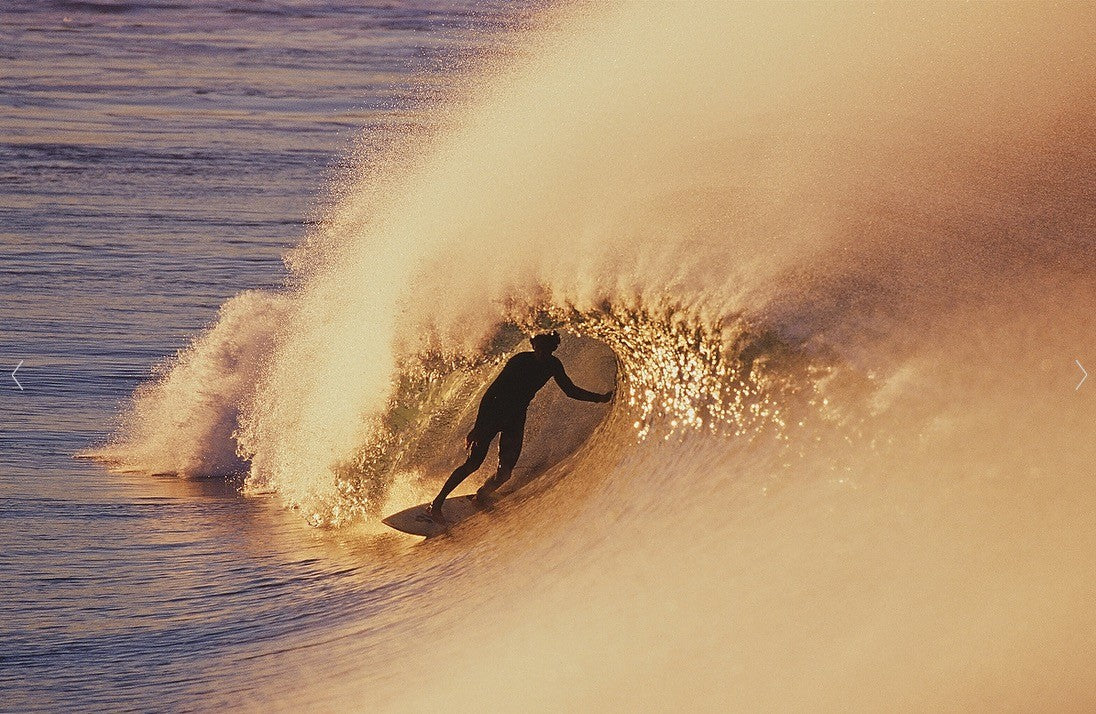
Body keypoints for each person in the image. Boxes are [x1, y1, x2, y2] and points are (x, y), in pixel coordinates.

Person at [429, 331, 612, 522]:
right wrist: (479, 426)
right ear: (533, 345)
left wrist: (599, 398)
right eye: (539, 347)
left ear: (553, 348)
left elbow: (570, 390)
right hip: (494, 416)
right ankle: (436, 504)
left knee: (505, 472)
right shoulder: (520, 361)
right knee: (473, 463)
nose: (542, 352)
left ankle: (482, 495)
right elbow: (492, 392)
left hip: (515, 419)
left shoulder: (553, 365)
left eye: (547, 348)